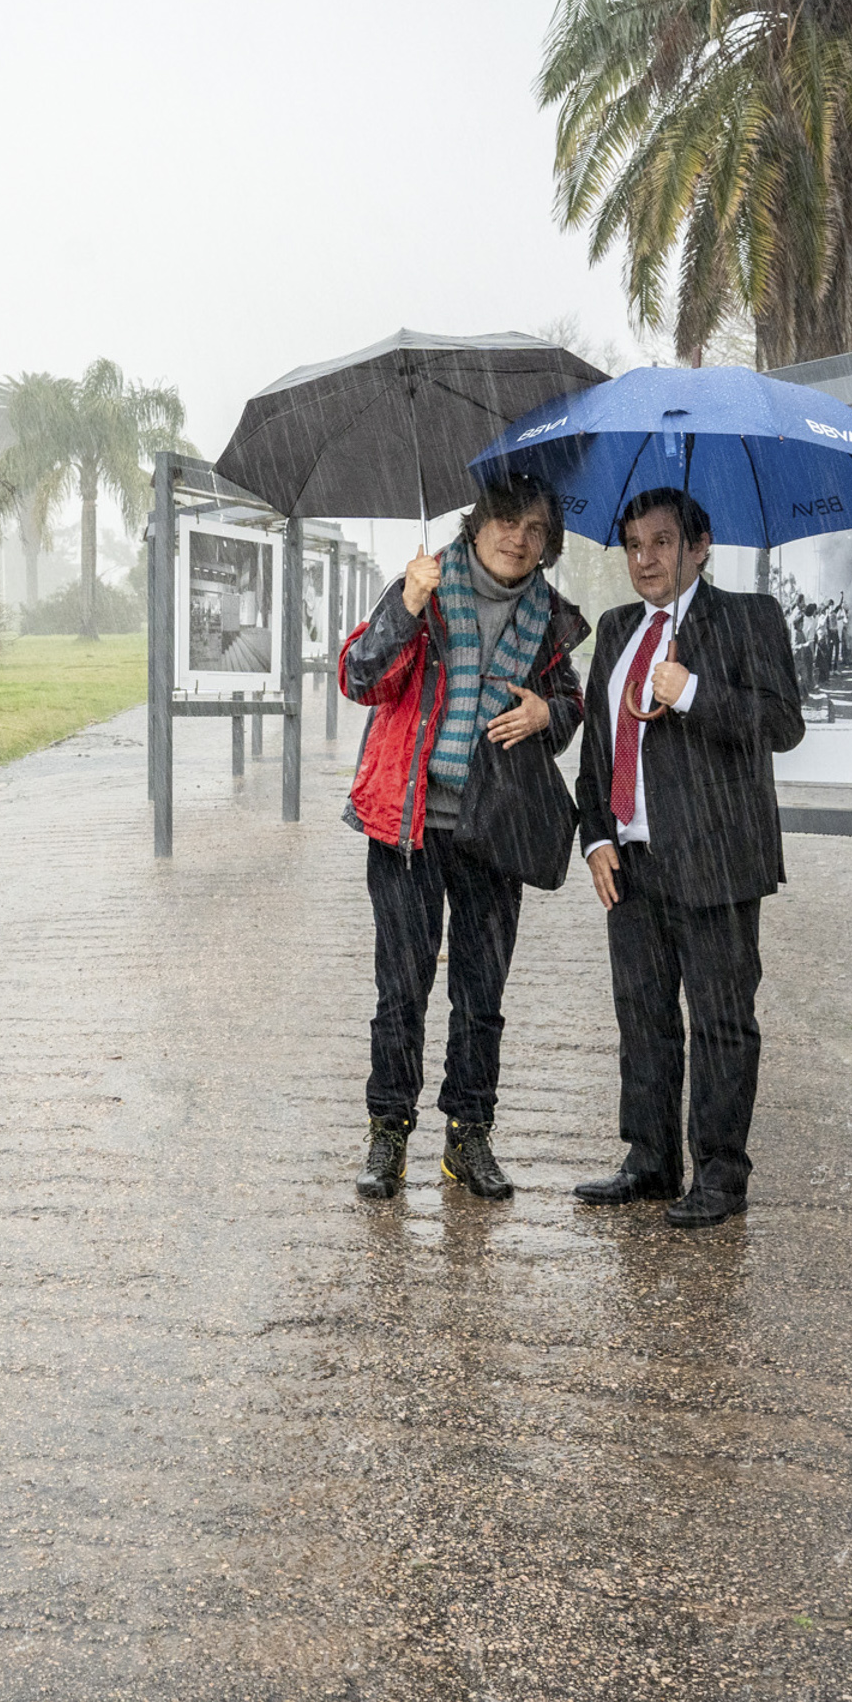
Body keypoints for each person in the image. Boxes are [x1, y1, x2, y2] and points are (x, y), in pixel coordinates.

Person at [338, 471, 590, 1201]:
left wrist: (550, 716)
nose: (517, 536)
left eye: (534, 528)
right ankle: (387, 1134)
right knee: (401, 991)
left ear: (547, 546)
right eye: (505, 520)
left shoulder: (547, 619)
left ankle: (467, 1138)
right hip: (406, 826)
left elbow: (569, 701)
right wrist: (406, 608)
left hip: (493, 828)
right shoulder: (421, 585)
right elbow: (360, 679)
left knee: (481, 994)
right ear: (475, 524)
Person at [570, 486, 805, 1228]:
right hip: (631, 864)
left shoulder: (747, 618)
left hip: (717, 860)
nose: (646, 559)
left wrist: (694, 690)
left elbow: (782, 723)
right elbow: (598, 746)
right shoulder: (613, 630)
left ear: (699, 546)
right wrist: (596, 837)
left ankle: (719, 1176)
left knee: (720, 1022)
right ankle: (647, 1160)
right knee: (642, 1018)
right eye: (635, 544)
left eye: (662, 542)